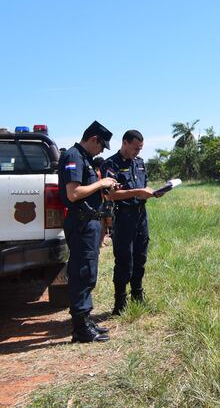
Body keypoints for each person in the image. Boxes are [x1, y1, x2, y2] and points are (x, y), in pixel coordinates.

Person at [58, 121, 118, 343]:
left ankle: (86, 320)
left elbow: (87, 191)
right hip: (81, 223)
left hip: (90, 222)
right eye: (102, 146)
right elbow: (73, 193)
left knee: (88, 273)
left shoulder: (86, 159)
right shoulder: (74, 156)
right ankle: (81, 329)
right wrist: (100, 182)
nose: (101, 151)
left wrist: (103, 186)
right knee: (82, 273)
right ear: (94, 139)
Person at [101, 130, 157, 315]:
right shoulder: (111, 164)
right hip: (123, 216)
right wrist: (137, 192)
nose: (137, 152)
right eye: (135, 148)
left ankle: (137, 297)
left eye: (140, 149)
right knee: (125, 259)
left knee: (140, 257)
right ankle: (120, 303)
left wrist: (153, 192)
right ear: (125, 142)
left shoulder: (140, 163)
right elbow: (110, 194)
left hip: (141, 215)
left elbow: (144, 186)